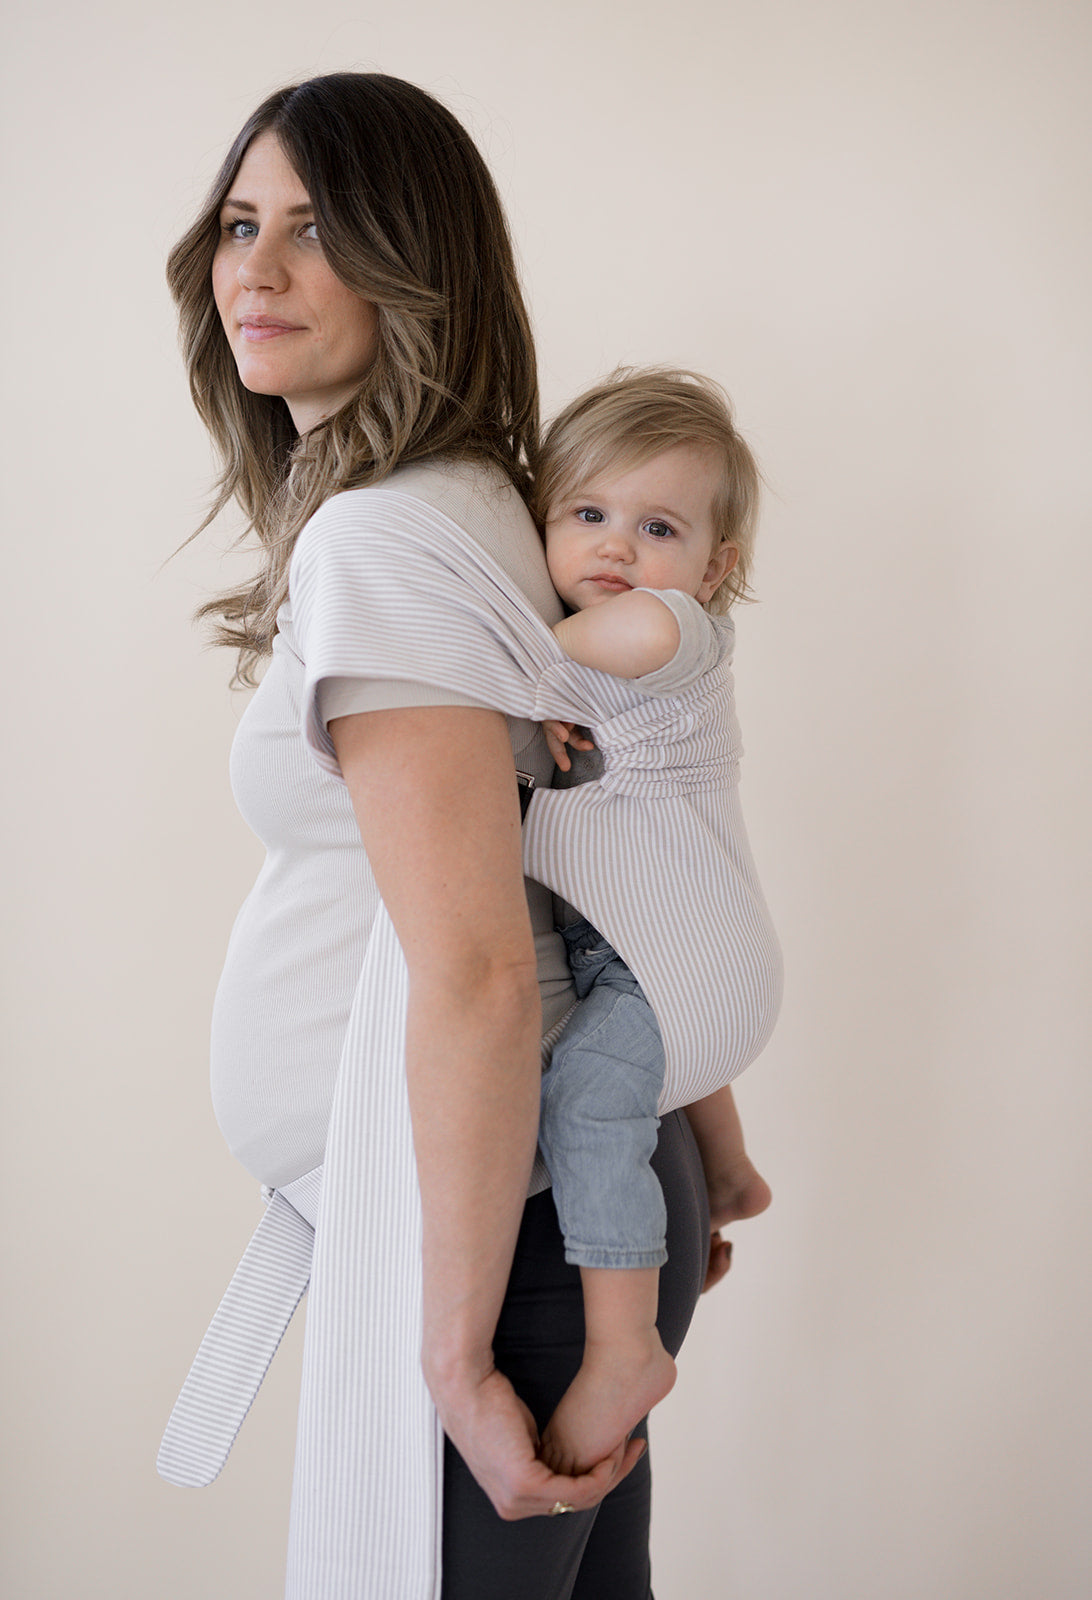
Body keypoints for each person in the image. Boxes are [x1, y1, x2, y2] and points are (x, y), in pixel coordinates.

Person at [155, 73, 780, 1600]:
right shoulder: (485, 498)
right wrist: (697, 1130)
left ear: (415, 262)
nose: (259, 266)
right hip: (564, 1212)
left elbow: (491, 968)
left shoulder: (391, 533)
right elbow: (603, 838)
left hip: (513, 1249)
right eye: (243, 224)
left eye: (319, 228)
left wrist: (449, 1355)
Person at [520, 371, 775, 1476]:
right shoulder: (601, 632)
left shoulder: (676, 630)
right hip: (666, 956)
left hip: (688, 962)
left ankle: (623, 1347)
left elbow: (622, 633)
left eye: (657, 526)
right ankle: (727, 1170)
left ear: (715, 568)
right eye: (586, 514)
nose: (616, 545)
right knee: (645, 1051)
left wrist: (518, 663)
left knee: (587, 1086)